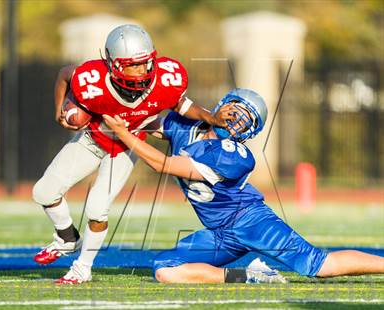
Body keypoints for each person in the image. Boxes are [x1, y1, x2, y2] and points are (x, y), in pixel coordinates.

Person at [104, 88, 384, 283]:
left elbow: (162, 165)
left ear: (250, 132)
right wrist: (104, 109)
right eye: (237, 109)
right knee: (166, 270)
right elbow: (144, 118)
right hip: (219, 233)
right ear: (222, 104)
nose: (237, 119)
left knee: (317, 266)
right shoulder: (186, 126)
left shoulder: (233, 156)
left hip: (251, 222)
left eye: (246, 119)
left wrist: (122, 134)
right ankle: (251, 275)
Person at [32, 24, 233, 284]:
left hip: (125, 149)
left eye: (146, 63)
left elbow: (181, 104)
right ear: (113, 64)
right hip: (93, 139)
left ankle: (83, 267)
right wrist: (59, 109)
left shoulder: (164, 78)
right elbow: (65, 74)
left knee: (96, 209)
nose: (142, 71)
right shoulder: (92, 79)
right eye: (132, 65)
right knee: (44, 192)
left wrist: (210, 117)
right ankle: (67, 238)